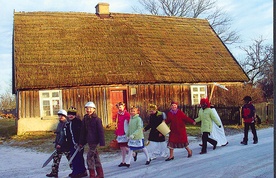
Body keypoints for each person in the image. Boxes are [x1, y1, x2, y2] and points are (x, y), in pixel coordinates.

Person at [79, 102, 105, 178]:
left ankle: (92, 174)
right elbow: (83, 132)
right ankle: (100, 174)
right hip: (89, 141)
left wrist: (101, 142)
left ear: (94, 109)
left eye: (90, 108)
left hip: (95, 141)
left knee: (89, 157)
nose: (88, 110)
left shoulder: (97, 119)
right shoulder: (85, 119)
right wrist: (81, 142)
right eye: (87, 108)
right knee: (96, 157)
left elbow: (101, 131)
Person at [46, 109, 72, 177]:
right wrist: (57, 142)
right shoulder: (59, 123)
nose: (60, 117)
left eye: (62, 116)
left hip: (65, 145)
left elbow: (63, 135)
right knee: (56, 159)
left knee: (70, 159)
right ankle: (54, 172)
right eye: (59, 116)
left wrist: (60, 144)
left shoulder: (66, 124)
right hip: (59, 145)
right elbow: (59, 134)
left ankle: (75, 171)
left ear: (65, 116)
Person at [66, 106, 87, 178]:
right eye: (69, 114)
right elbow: (69, 134)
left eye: (72, 114)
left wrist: (81, 143)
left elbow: (82, 133)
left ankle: (81, 171)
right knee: (74, 157)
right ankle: (75, 171)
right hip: (72, 143)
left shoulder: (78, 123)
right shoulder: (68, 123)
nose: (70, 116)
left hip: (79, 143)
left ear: (75, 115)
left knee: (79, 157)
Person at [115, 102, 131, 167]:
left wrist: (128, 132)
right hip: (119, 131)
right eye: (119, 107)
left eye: (121, 107)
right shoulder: (118, 114)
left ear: (124, 107)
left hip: (124, 132)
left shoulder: (126, 114)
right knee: (122, 147)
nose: (120, 109)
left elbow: (129, 123)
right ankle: (132, 154)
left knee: (123, 147)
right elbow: (117, 122)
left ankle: (124, 161)